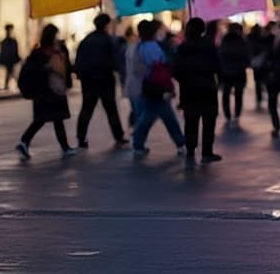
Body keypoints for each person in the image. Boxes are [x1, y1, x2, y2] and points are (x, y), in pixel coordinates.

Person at [15, 24, 76, 160]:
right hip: (46, 91)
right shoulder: (40, 53)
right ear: (51, 36)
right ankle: (25, 141)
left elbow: (67, 68)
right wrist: (46, 68)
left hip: (55, 91)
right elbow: (34, 71)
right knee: (44, 120)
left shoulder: (57, 51)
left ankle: (26, 142)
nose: (57, 38)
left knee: (53, 119)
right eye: (55, 35)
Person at [128, 19, 186, 157]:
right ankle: (180, 143)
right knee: (165, 116)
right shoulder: (152, 47)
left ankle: (139, 144)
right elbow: (160, 65)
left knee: (150, 116)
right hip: (157, 87)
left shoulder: (138, 47)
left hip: (147, 86)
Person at [172, 18, 222, 165]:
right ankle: (207, 152)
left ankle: (190, 150)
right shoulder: (209, 45)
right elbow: (217, 66)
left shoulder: (182, 47)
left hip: (189, 89)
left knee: (191, 121)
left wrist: (184, 80)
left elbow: (176, 70)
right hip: (207, 87)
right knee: (208, 120)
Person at [74, 13, 127, 149]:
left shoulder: (86, 40)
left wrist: (81, 76)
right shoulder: (108, 40)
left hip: (89, 81)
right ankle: (118, 135)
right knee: (111, 109)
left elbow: (79, 61)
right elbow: (114, 60)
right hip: (105, 79)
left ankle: (81, 137)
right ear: (106, 25)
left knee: (87, 108)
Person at [218, 23, 251, 126]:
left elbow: (220, 56)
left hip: (226, 72)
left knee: (226, 95)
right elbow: (247, 57)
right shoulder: (242, 41)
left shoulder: (224, 41)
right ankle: (236, 115)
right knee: (238, 94)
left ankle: (228, 115)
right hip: (239, 72)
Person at [0, 24, 20, 89]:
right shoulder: (5, 41)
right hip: (8, 60)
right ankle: (10, 84)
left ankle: (9, 84)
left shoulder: (12, 41)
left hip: (11, 59)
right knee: (11, 73)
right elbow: (3, 51)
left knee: (11, 73)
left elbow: (15, 51)